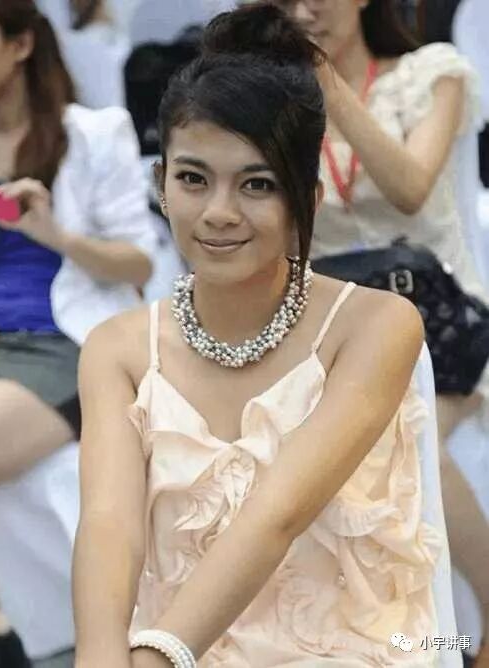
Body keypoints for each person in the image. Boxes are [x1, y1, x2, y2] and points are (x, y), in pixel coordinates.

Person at [73, 4, 444, 666]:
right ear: (161, 185)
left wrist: (159, 655)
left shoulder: (376, 326)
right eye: (193, 178)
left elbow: (278, 515)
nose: (219, 213)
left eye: (257, 184)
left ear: (307, 200)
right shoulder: (117, 349)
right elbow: (109, 526)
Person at [0, 0, 156, 665]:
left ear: (21, 44)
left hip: (66, 339)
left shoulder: (95, 132)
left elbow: (139, 261)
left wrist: (54, 234)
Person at [273, 0, 489, 664]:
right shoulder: (274, 99)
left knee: (401, 429)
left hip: (437, 321)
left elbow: (411, 187)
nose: (305, 12)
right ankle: (394, 641)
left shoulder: (434, 73)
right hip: (328, 325)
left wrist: (328, 84)